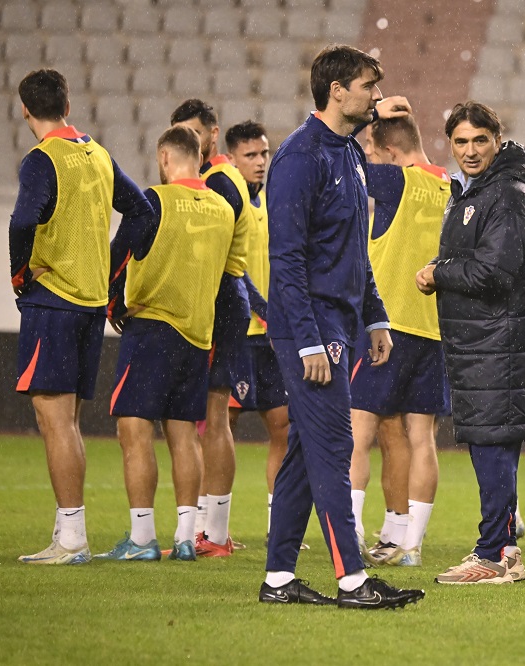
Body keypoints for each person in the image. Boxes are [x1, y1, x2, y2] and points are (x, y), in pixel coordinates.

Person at [260, 44, 423, 609]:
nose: (376, 95)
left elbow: (354, 247)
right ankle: (353, 581)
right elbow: (287, 260)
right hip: (310, 324)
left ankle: (279, 579)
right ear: (337, 91)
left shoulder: (348, 152)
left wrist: (374, 314)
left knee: (307, 453)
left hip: (341, 320)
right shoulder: (300, 158)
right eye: (368, 86)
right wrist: (307, 337)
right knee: (335, 446)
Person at [9, 69, 152, 565]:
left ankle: (71, 539)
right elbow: (142, 212)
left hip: (53, 302)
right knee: (66, 419)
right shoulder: (96, 153)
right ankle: (66, 532)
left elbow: (23, 220)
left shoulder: (41, 159)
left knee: (53, 418)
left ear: (24, 109)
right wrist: (111, 270)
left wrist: (18, 275)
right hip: (90, 304)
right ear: (66, 103)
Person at [416, 101, 525, 585]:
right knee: (493, 447)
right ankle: (506, 549)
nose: (469, 151)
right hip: (486, 343)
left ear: (497, 138)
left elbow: (494, 272)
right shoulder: (479, 194)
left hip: (498, 345)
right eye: (461, 142)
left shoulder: (506, 197)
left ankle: (491, 554)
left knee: (492, 447)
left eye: (479, 141)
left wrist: (438, 272)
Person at [98, 126, 237, 562]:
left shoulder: (153, 201)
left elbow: (117, 256)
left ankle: (141, 540)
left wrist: (114, 303)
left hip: (152, 328)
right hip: (198, 337)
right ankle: (183, 536)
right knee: (183, 437)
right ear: (200, 155)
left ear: (164, 156)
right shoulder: (223, 209)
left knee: (134, 431)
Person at [348, 117, 451, 567]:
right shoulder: (455, 189)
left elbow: (335, 160)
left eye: (373, 150)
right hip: (434, 329)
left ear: (389, 149)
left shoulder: (392, 180)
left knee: (357, 432)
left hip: (385, 326)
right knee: (419, 438)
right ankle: (409, 544)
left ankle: (347, 528)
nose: (369, 158)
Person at [170, 98, 260, 556]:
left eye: (194, 131)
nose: (189, 140)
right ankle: (212, 529)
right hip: (225, 299)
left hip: (219, 300)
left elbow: (214, 255)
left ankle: (214, 533)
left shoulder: (219, 182)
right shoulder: (220, 179)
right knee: (213, 415)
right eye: (180, 132)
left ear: (211, 132)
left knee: (216, 414)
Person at [221, 120, 297, 549]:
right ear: (232, 158)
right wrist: (260, 305)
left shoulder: (270, 203)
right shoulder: (229, 199)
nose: (260, 162)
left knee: (283, 428)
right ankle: (212, 525)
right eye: (250, 155)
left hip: (271, 338)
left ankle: (278, 526)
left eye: (264, 154)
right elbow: (233, 267)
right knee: (221, 426)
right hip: (239, 332)